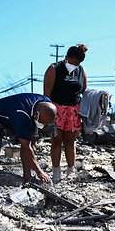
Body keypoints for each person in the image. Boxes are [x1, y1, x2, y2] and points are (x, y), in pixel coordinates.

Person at [0, 93, 57, 191]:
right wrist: (40, 172)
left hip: (19, 114)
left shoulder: (46, 103)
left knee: (31, 140)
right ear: (37, 114)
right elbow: (26, 147)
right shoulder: (21, 114)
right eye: (42, 122)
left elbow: (27, 146)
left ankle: (27, 177)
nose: (42, 125)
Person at [43, 44, 88, 183]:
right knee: (56, 141)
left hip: (73, 110)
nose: (74, 66)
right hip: (56, 109)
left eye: (77, 64)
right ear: (66, 58)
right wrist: (48, 114)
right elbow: (47, 93)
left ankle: (70, 171)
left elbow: (84, 89)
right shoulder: (54, 69)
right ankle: (56, 171)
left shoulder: (81, 71)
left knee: (70, 141)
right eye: (72, 63)